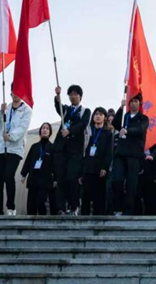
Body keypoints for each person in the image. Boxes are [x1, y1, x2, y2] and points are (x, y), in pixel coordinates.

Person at [0, 88, 33, 216]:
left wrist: (11, 136)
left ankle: (11, 207)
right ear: (11, 93)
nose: (16, 94)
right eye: (14, 91)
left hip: (15, 149)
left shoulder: (26, 110)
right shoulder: (6, 108)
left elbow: (23, 127)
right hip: (0, 148)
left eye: (19, 91)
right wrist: (0, 111)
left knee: (8, 175)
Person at [53, 84, 91, 215]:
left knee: (71, 178)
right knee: (60, 179)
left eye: (75, 94)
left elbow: (82, 124)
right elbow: (58, 107)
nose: (73, 96)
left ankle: (74, 206)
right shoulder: (66, 110)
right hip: (62, 149)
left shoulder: (85, 111)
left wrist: (70, 131)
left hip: (75, 151)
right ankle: (61, 208)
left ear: (80, 96)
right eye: (71, 94)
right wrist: (57, 96)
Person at [112, 93, 149, 215]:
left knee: (131, 184)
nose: (133, 104)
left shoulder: (143, 118)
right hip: (120, 154)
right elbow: (115, 123)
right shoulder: (125, 116)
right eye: (131, 101)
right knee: (117, 180)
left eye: (136, 101)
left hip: (134, 155)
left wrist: (127, 131)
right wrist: (120, 108)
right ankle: (118, 208)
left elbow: (141, 130)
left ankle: (129, 210)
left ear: (140, 103)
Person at [81, 107, 113, 215]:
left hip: (100, 169)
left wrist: (105, 167)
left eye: (101, 114)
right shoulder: (88, 132)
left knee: (99, 197)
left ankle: (98, 219)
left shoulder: (108, 133)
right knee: (85, 196)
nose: (98, 116)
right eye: (96, 114)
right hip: (87, 167)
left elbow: (109, 152)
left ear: (105, 118)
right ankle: (84, 219)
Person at [20, 122, 56, 215]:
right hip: (33, 178)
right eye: (43, 128)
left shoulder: (52, 148)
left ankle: (42, 220)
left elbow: (55, 164)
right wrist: (24, 174)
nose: (45, 130)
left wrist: (55, 179)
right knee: (31, 205)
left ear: (50, 132)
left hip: (45, 180)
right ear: (40, 131)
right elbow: (28, 161)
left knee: (41, 202)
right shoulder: (34, 146)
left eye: (47, 128)